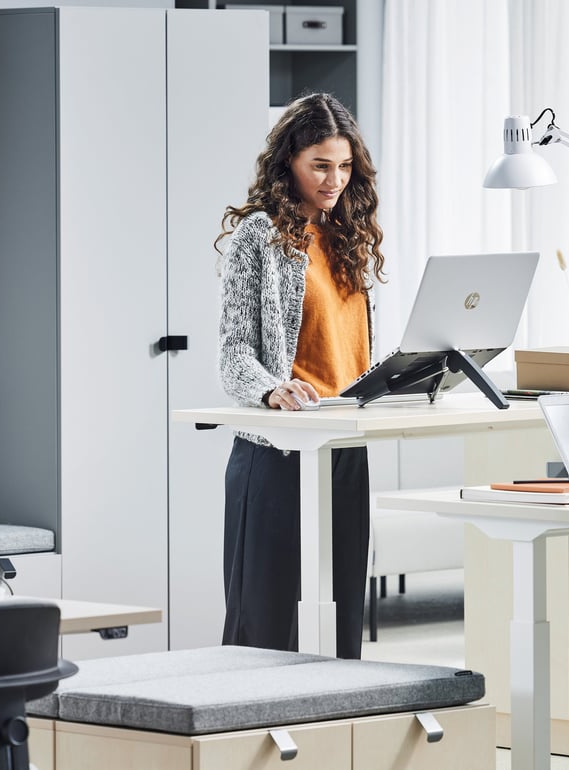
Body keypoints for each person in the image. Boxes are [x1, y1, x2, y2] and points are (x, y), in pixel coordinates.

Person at [215, 92, 385, 659]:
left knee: (339, 622)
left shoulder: (350, 239)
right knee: (263, 625)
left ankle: (334, 742)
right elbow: (234, 350)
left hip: (344, 446)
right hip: (279, 450)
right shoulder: (258, 237)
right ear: (288, 160)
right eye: (320, 165)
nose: (334, 179)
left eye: (344, 166)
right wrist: (269, 388)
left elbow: (353, 350)